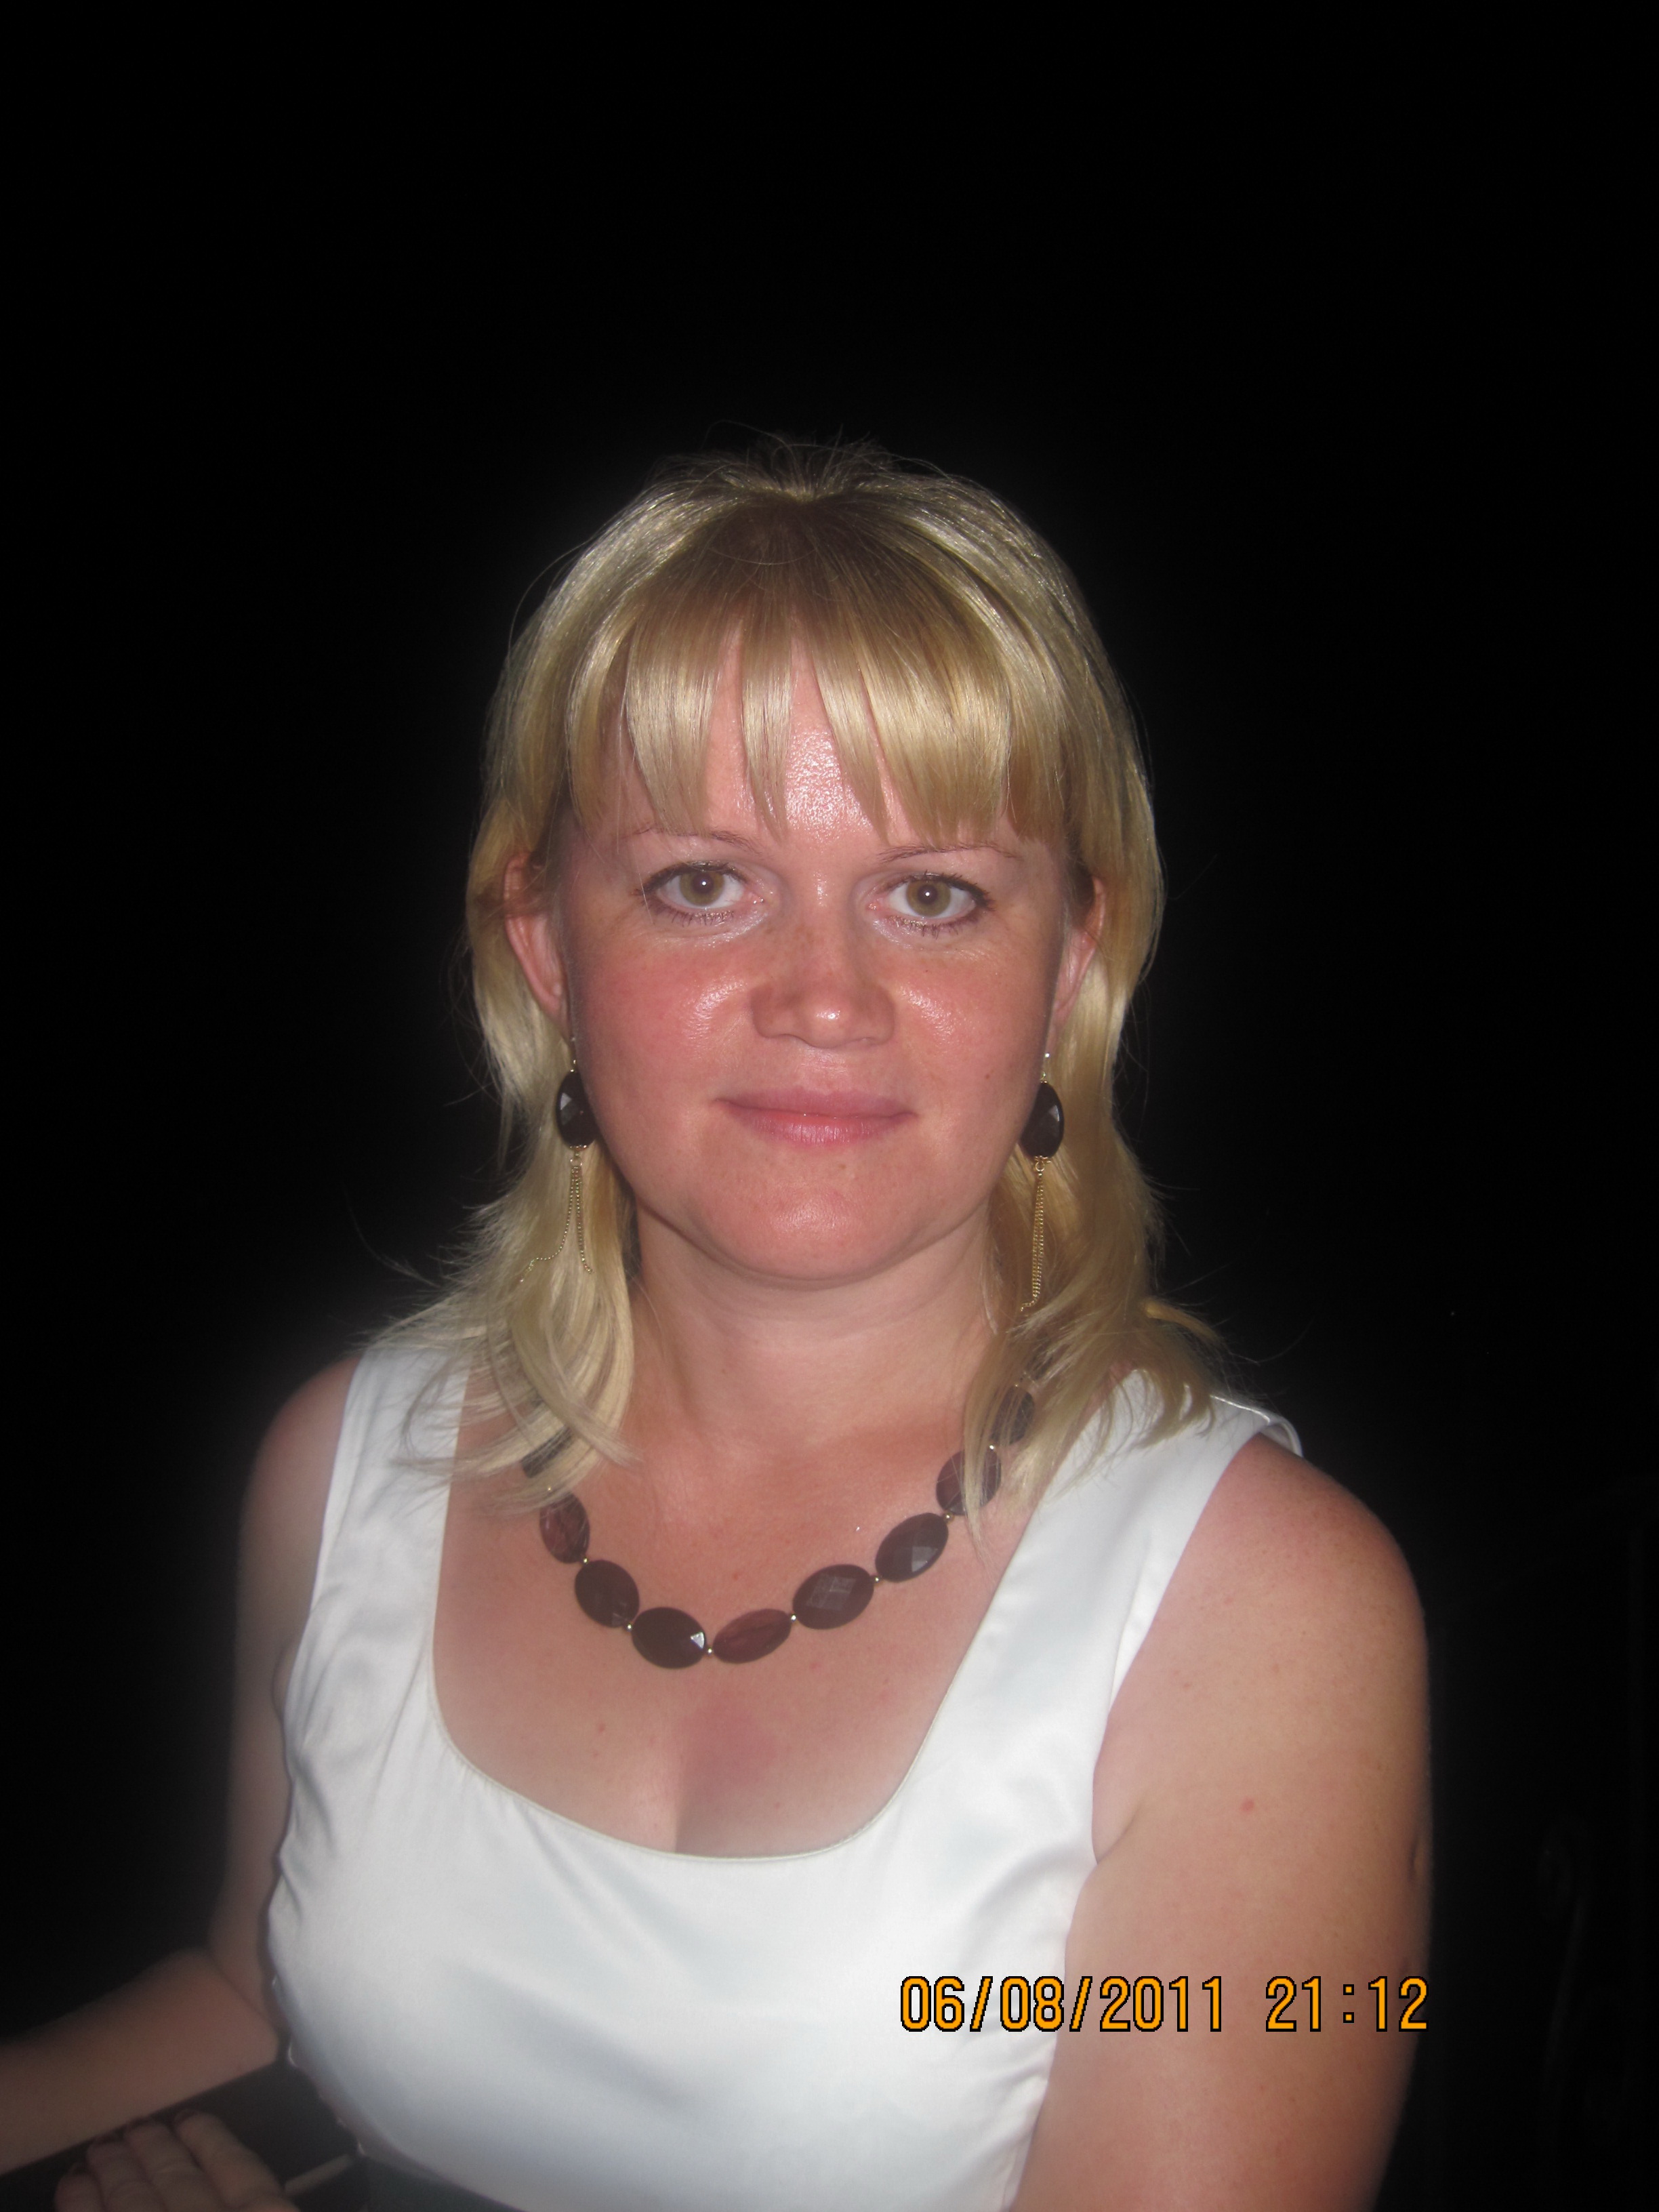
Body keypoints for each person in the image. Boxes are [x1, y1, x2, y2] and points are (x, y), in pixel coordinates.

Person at [1, 438, 1429, 2209]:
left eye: (934, 893)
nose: (824, 995)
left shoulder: (1268, 1616)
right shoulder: (344, 1463)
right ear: (545, 941)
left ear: (1070, 960)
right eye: (702, 882)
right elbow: (256, 1995)